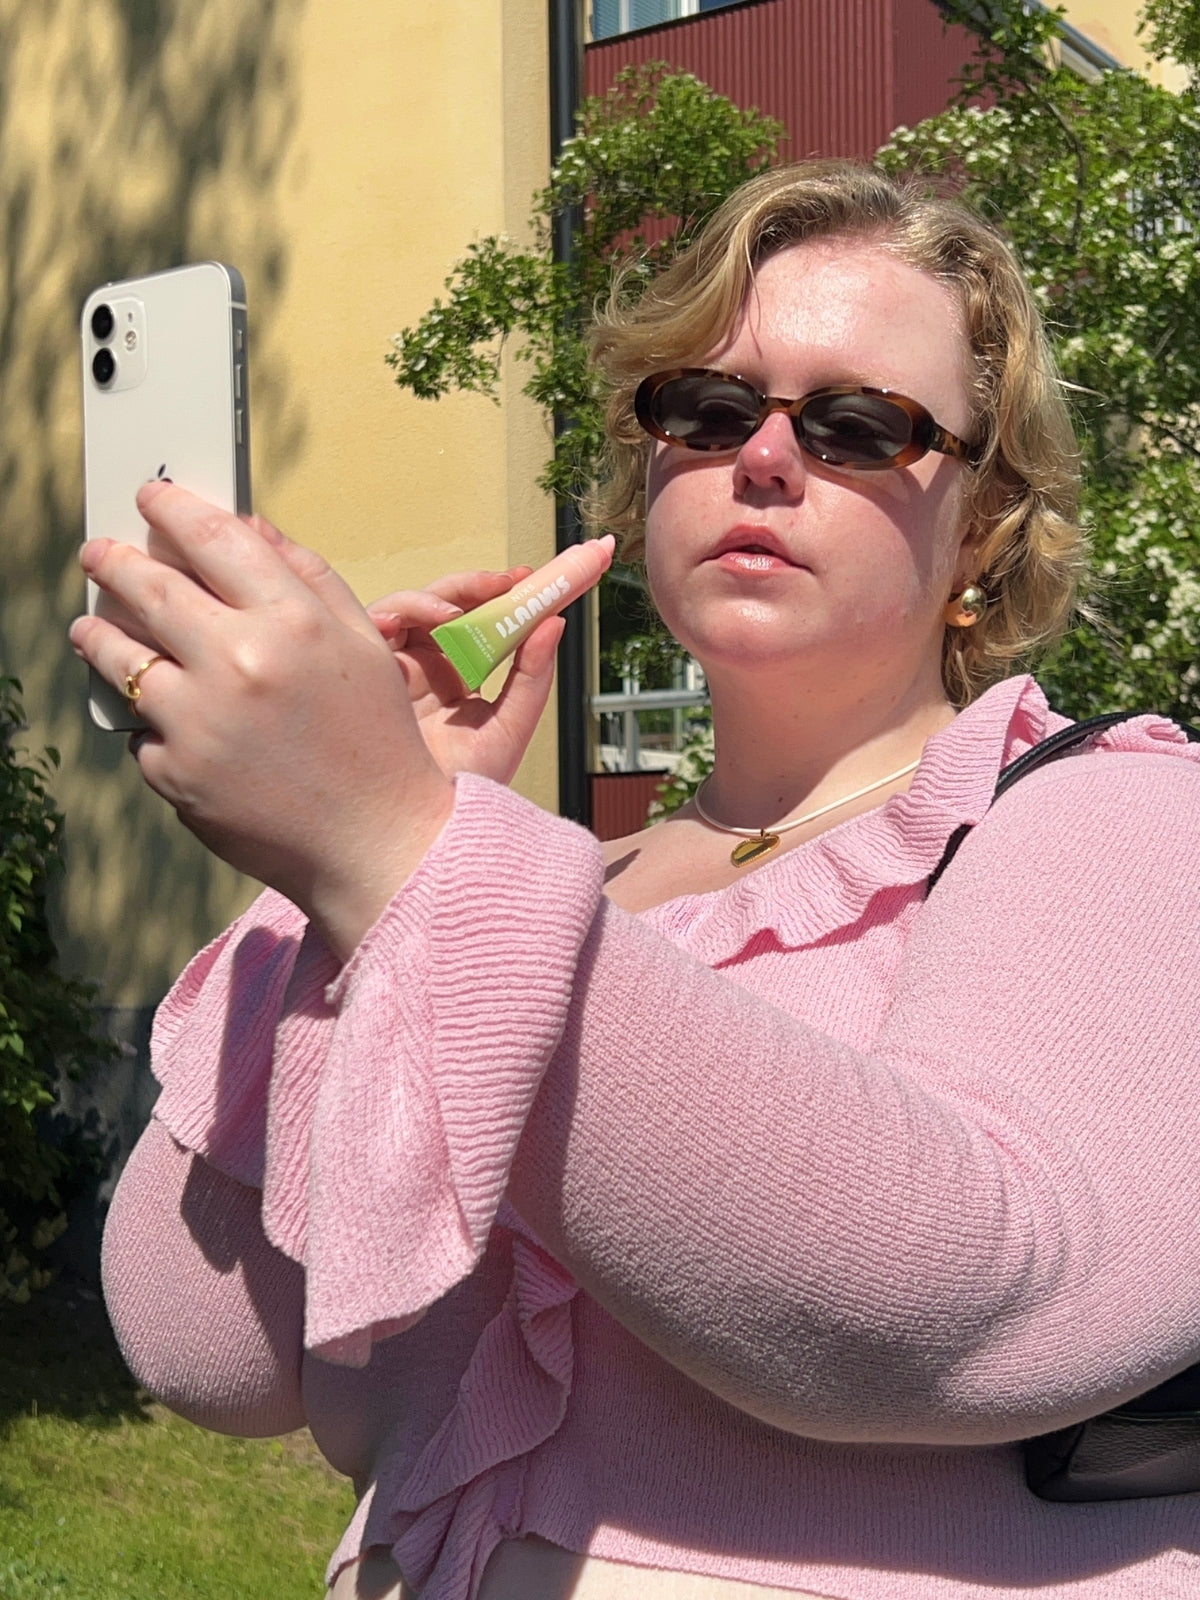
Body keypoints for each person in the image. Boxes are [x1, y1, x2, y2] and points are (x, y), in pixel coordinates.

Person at [83, 162, 1200, 1600]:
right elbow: (207, 1348)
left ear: (983, 522)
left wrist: (392, 840)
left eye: (859, 425)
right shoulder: (551, 881)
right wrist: (326, 878)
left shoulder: (1110, 808)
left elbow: (970, 1298)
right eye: (709, 408)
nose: (766, 458)